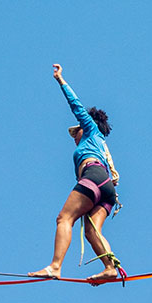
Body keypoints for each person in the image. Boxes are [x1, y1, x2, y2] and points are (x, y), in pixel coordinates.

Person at [29, 64, 123, 283]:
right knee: (91, 231)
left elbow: (76, 106)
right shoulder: (101, 146)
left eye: (76, 131)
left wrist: (60, 80)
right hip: (106, 189)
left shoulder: (91, 130)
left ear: (86, 126)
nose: (74, 136)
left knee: (64, 218)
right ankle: (110, 268)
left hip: (94, 177)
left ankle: (55, 266)